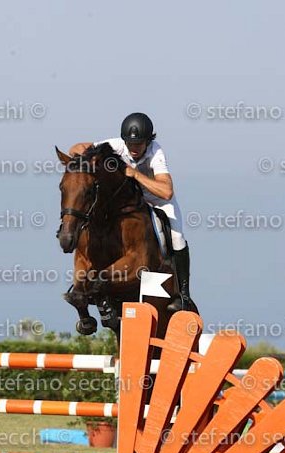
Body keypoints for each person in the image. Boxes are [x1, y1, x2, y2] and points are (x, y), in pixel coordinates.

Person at [68, 112, 197, 313]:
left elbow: (167, 191)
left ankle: (183, 295)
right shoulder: (116, 145)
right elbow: (75, 148)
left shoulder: (156, 151)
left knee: (177, 237)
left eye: (139, 144)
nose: (134, 148)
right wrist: (88, 158)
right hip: (128, 201)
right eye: (130, 143)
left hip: (156, 198)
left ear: (148, 141)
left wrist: (134, 174)